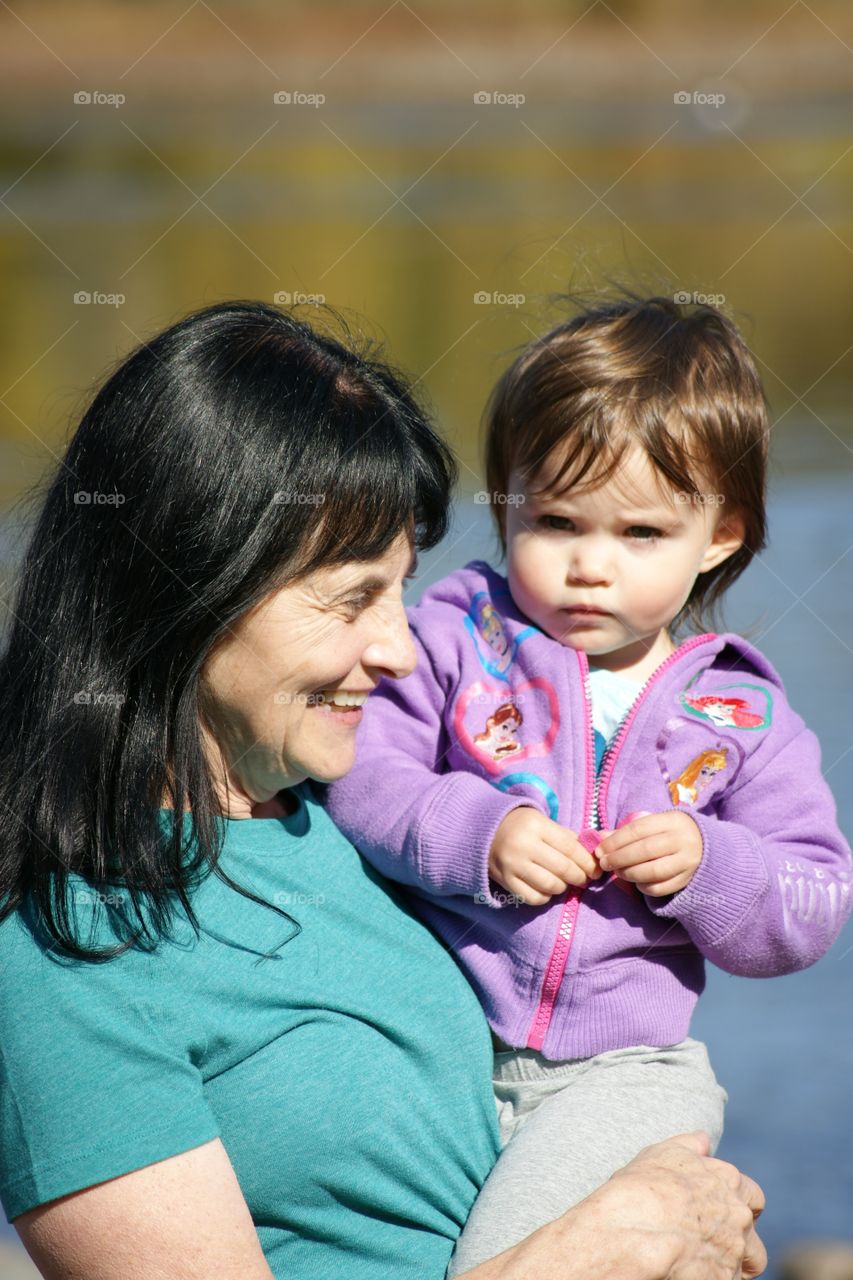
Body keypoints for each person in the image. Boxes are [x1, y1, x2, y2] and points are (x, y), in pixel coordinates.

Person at [0, 300, 766, 1280]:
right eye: (350, 596)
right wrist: (593, 1250)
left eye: (401, 590)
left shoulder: (347, 818)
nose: (399, 650)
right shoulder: (70, 959)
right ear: (193, 580)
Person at [323, 294, 853, 1274]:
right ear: (505, 500)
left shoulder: (741, 713)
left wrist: (710, 864)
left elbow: (815, 897)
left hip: (623, 1075)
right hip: (441, 1044)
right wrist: (474, 830)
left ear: (721, 533)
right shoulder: (454, 636)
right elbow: (361, 771)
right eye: (555, 520)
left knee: (518, 1253)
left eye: (640, 534)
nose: (588, 567)